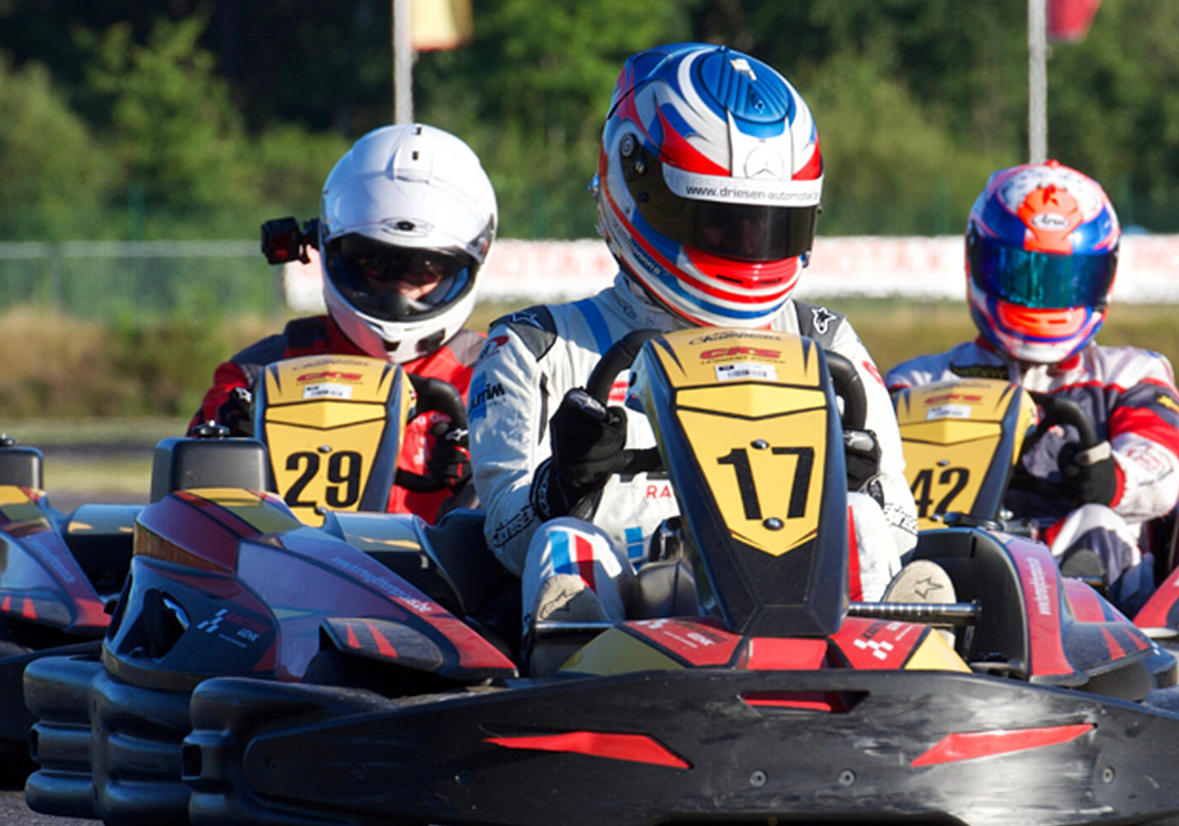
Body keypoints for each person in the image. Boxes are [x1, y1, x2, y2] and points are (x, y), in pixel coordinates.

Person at [466, 43, 920, 672]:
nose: (748, 247)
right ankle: (574, 694)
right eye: (719, 225)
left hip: (815, 636)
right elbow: (503, 535)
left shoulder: (825, 342)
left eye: (769, 226)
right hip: (632, 630)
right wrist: (565, 483)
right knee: (562, 544)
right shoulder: (536, 346)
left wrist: (858, 479)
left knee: (861, 519)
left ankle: (897, 687)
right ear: (638, 187)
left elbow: (899, 521)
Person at [886, 160, 1179, 609]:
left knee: (1095, 520)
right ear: (979, 261)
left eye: (1063, 279)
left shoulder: (1129, 375)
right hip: (954, 565)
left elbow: (1163, 468)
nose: (1042, 296)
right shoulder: (918, 383)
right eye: (1021, 274)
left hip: (1071, 575)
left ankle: (1095, 653)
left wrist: (1111, 477)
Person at [189, 123, 497, 522]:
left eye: (425, 269)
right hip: (286, 574)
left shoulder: (498, 375)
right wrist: (236, 447)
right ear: (330, 249)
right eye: (376, 265)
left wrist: (490, 479)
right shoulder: (252, 380)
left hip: (443, 581)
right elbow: (192, 520)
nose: (398, 295)